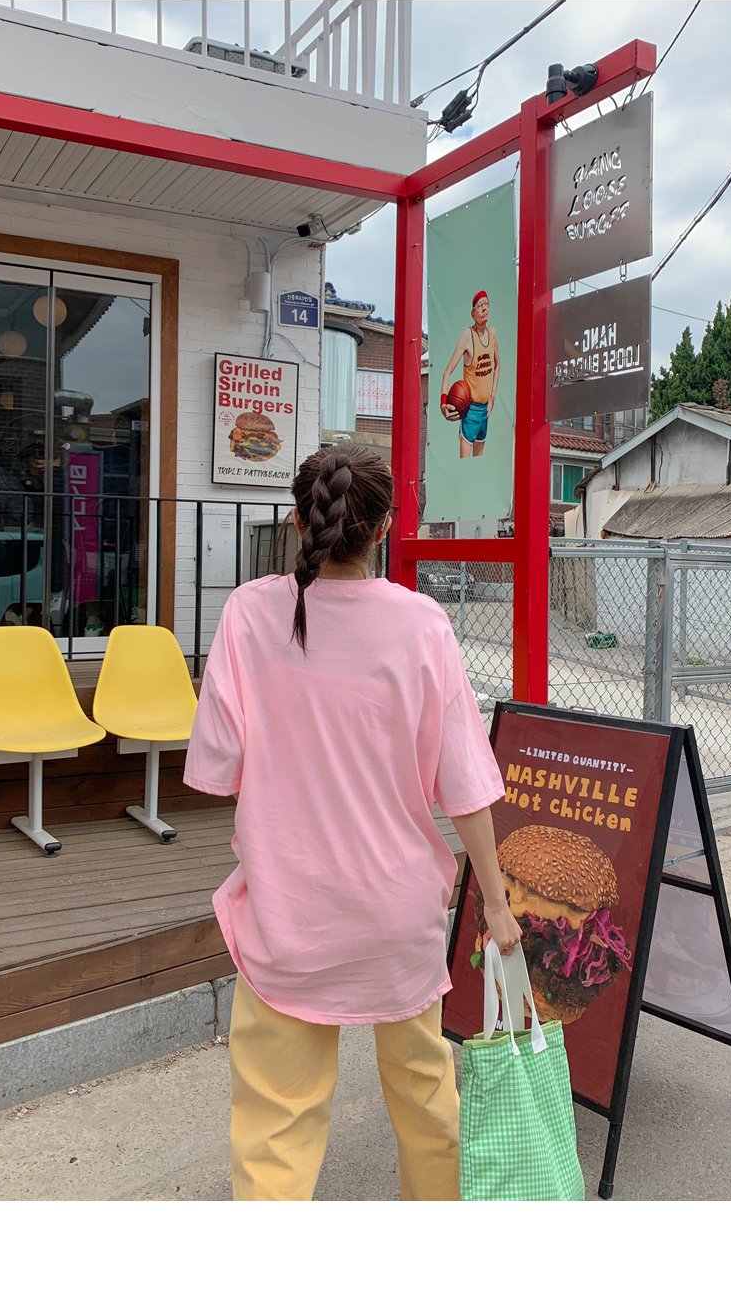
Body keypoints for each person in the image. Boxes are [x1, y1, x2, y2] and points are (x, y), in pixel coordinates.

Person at [184, 445, 522, 1202]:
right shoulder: (424, 626)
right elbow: (466, 786)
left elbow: (218, 768)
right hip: (396, 916)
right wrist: (496, 906)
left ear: (297, 520)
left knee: (275, 1125)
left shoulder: (248, 614)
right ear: (386, 528)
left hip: (288, 913)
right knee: (427, 1102)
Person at [439, 290, 501, 459]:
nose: (484, 308)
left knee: (478, 464)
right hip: (471, 409)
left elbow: (498, 365)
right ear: (473, 314)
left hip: (484, 409)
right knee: (465, 464)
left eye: (486, 304)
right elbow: (447, 371)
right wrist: (443, 404)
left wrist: (493, 396)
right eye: (480, 305)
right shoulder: (468, 336)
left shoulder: (492, 334)